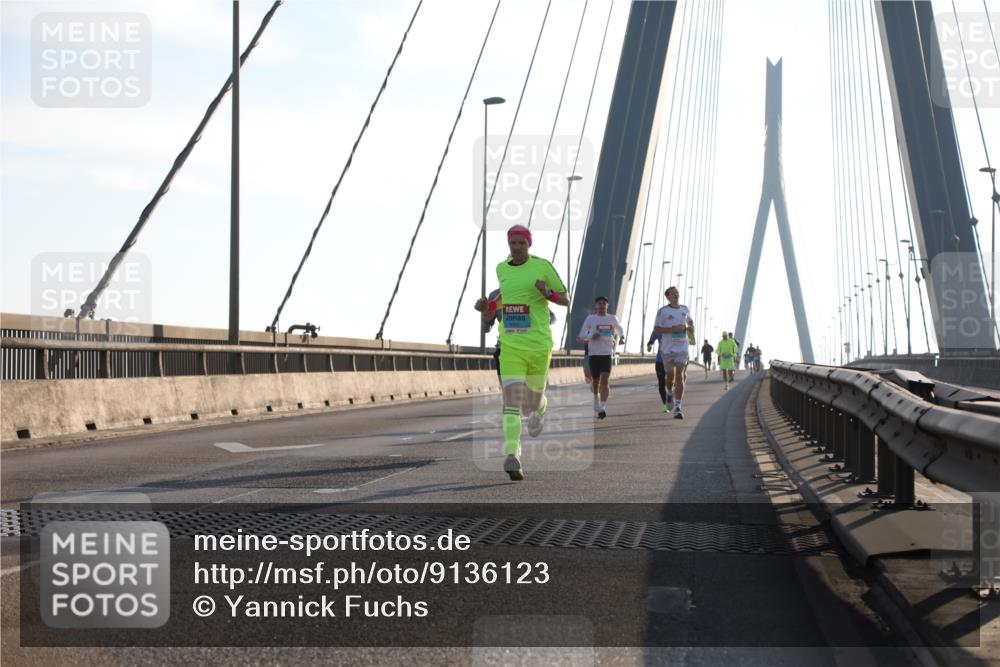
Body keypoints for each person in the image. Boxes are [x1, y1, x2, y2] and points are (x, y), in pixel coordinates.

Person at [474, 224, 568, 481]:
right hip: (510, 347)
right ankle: (512, 454)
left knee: (532, 402)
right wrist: (487, 308)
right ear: (508, 244)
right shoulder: (501, 269)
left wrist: (546, 293)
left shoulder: (542, 267)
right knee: (512, 402)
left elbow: (565, 298)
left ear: (529, 244)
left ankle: (540, 410)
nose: (517, 247)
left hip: (538, 347)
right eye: (513, 243)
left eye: (521, 243)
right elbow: (497, 307)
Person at [577, 296, 623, 419]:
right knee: (596, 381)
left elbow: (619, 329)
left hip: (606, 354)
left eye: (604, 303)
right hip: (593, 354)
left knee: (605, 380)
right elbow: (581, 335)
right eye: (599, 303)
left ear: (607, 306)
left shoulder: (612, 318)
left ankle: (602, 407)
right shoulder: (590, 319)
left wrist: (622, 337)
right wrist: (592, 336)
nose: (602, 305)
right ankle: (596, 398)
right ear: (596, 306)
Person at [652, 286, 694, 419]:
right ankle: (669, 392)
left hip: (682, 347)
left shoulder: (685, 309)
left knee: (680, 375)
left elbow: (690, 323)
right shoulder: (662, 311)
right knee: (669, 377)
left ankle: (678, 407)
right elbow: (657, 329)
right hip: (667, 349)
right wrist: (672, 329)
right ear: (668, 297)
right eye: (673, 293)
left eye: (677, 293)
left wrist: (690, 327)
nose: (676, 295)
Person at [646, 329, 670, 413]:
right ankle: (664, 404)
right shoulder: (657, 329)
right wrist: (649, 345)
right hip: (660, 361)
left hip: (671, 360)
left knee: (671, 382)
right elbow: (651, 340)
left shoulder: (675, 328)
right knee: (661, 384)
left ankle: (670, 395)